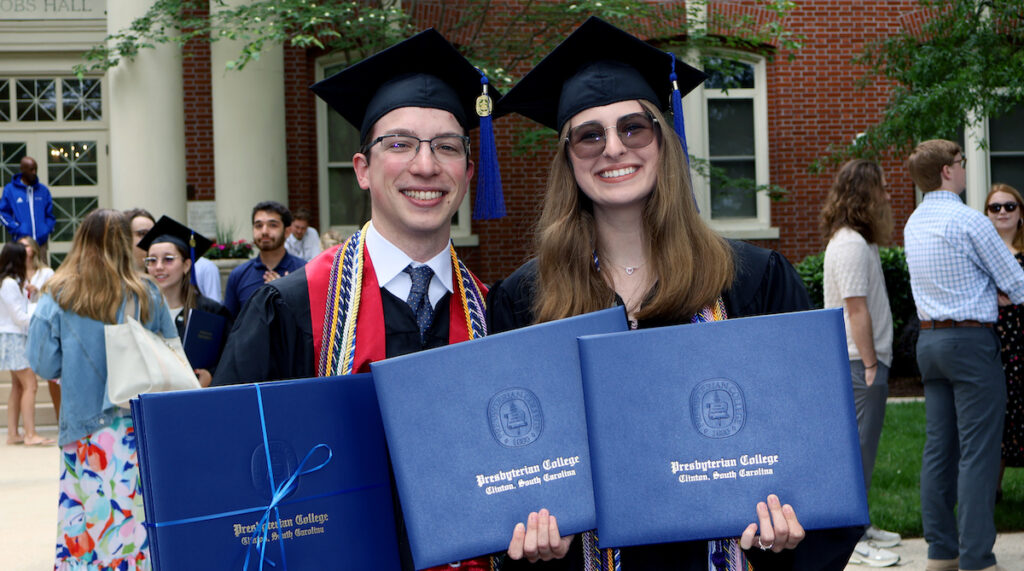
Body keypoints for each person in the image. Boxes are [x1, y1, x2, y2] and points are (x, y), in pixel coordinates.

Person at [489, 17, 859, 571]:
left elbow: (817, 450)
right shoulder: (525, 300)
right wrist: (532, 539)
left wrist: (793, 527)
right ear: (568, 157)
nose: (613, 149)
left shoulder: (754, 280)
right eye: (589, 135)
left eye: (634, 128)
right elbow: (513, 473)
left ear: (664, 138)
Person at [213, 29, 493, 570]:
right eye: (400, 143)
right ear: (362, 169)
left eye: (446, 146)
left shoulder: (493, 311)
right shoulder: (291, 308)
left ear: (466, 173)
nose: (425, 165)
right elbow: (229, 474)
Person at [28, 208, 177, 569]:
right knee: (131, 527)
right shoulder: (145, 294)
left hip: (82, 431)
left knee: (83, 531)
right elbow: (172, 354)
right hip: (136, 429)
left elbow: (43, 365)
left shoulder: (58, 295)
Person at [904, 140, 1024, 571]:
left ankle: (941, 552)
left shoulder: (913, 223)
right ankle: (977, 558)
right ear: (946, 172)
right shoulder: (970, 221)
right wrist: (998, 293)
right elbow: (1016, 281)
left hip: (930, 343)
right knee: (979, 452)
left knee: (940, 449)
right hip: (971, 345)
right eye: (961, 162)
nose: (965, 168)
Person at [820, 159, 901, 567]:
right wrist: (870, 363)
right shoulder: (850, 243)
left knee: (863, 451)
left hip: (862, 361)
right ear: (865, 194)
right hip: (858, 362)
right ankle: (850, 541)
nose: (887, 195)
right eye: (882, 188)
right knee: (856, 453)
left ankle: (861, 526)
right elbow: (855, 310)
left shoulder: (858, 241)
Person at [138, 216, 232, 387]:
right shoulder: (139, 311)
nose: (158, 267)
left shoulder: (211, 312)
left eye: (168, 259)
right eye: (151, 260)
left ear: (187, 265)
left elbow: (229, 359)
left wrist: (211, 375)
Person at [984, 183, 1024, 502]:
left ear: (1020, 212)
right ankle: (992, 489)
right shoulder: (982, 251)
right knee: (999, 412)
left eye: (1009, 206)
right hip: (994, 342)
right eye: (995, 207)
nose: (1002, 212)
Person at [2, 242, 51, 446]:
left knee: (18, 386)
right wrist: (41, 313)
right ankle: (30, 434)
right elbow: (20, 317)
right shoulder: (9, 284)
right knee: (30, 384)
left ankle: (14, 434)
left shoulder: (11, 282)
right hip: (14, 337)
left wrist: (30, 293)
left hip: (11, 336)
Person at [222, 200, 305, 316]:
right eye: (258, 225)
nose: (264, 231)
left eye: (273, 225)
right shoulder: (238, 275)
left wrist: (283, 293)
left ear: (287, 231)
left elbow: (310, 323)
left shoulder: (303, 272)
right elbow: (230, 327)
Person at [124, 207, 222, 302]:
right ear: (125, 238)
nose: (151, 239)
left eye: (168, 259)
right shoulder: (124, 290)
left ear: (186, 265)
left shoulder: (203, 268)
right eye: (143, 234)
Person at [20, 236, 59, 420]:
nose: (23, 249)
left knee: (52, 379)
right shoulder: (14, 274)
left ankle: (59, 418)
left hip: (43, 326)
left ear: (34, 249)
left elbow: (53, 296)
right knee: (24, 382)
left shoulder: (47, 272)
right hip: (21, 328)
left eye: (26, 245)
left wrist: (38, 290)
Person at [0, 156, 56, 249]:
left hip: (41, 243)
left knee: (42, 264)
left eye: (35, 169)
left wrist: (46, 229)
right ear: (22, 169)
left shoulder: (43, 190)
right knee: (21, 263)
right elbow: (3, 213)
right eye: (31, 170)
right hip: (21, 242)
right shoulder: (10, 190)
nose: (34, 172)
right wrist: (17, 228)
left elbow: (50, 214)